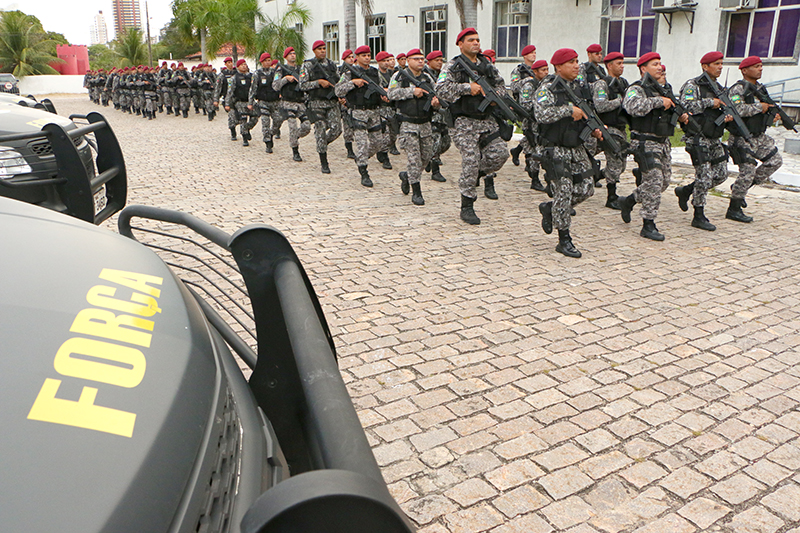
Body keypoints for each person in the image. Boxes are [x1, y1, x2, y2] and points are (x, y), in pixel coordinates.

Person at [435, 28, 509, 225]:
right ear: (460, 44)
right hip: (463, 121)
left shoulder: (488, 65)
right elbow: (441, 89)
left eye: (477, 39)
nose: (476, 43)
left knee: (500, 154)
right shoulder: (452, 66)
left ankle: (474, 174)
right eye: (470, 40)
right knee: (471, 158)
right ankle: (467, 205)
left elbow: (502, 86)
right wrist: (468, 88)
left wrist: (494, 97)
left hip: (487, 119)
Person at [534, 48, 601, 258]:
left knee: (587, 188)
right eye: (571, 62)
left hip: (576, 145)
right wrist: (568, 110)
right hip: (555, 147)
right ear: (558, 67)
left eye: (577, 61)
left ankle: (551, 208)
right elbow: (540, 114)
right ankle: (564, 239)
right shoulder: (548, 87)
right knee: (564, 189)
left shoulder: (580, 86)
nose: (576, 65)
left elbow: (587, 110)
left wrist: (596, 127)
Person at [618, 52, 689, 241]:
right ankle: (648, 224)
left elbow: (672, 107)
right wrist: (659, 101)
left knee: (663, 182)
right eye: (655, 64)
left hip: (663, 142)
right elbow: (631, 106)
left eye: (660, 63)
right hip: (644, 142)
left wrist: (681, 114)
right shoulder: (637, 88)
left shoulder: (664, 89)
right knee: (655, 180)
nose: (660, 67)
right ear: (643, 69)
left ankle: (629, 200)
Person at [675, 51, 735, 231]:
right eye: (716, 63)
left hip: (714, 137)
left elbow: (721, 109)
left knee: (721, 174)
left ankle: (686, 191)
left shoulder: (720, 88)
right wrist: (711, 103)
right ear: (705, 66)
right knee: (704, 175)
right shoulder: (692, 85)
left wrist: (727, 116)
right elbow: (685, 106)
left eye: (721, 63)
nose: (720, 67)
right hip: (697, 136)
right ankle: (698, 214)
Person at [726, 55, 783, 222]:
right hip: (742, 137)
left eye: (761, 66)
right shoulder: (738, 89)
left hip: (759, 136)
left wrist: (770, 117)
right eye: (756, 66)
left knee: (775, 161)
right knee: (748, 170)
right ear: (745, 70)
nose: (760, 69)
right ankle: (733, 209)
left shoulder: (760, 89)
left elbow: (763, 111)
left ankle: (741, 187)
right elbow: (737, 109)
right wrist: (760, 107)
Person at [387, 48, 440, 205]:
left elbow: (436, 93)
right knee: (414, 159)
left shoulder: (428, 77)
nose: (420, 61)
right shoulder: (399, 76)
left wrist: (436, 103)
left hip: (425, 123)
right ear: (408, 60)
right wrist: (411, 91)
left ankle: (406, 175)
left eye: (422, 59)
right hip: (407, 124)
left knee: (426, 157)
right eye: (416, 58)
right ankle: (416, 191)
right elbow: (391, 94)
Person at [335, 45, 391, 187]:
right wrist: (353, 83)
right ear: (357, 58)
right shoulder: (349, 73)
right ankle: (364, 172)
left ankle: (361, 159)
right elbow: (338, 90)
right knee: (361, 144)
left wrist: (383, 96)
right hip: (358, 111)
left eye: (368, 55)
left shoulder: (374, 72)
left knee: (377, 142)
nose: (367, 57)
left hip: (374, 111)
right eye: (363, 55)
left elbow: (380, 87)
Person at [591, 51, 629, 208]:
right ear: (609, 65)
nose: (622, 66)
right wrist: (619, 101)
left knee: (621, 164)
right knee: (614, 161)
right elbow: (600, 105)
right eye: (618, 63)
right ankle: (611, 197)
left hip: (620, 128)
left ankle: (595, 175)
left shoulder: (624, 83)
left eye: (622, 63)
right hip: (606, 128)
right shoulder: (602, 84)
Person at [300, 40, 342, 174]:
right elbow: (302, 85)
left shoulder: (332, 65)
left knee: (337, 129)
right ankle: (324, 161)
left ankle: (322, 143)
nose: (323, 51)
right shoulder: (308, 65)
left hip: (332, 103)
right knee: (321, 129)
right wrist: (318, 82)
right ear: (314, 51)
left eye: (324, 48)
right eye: (319, 49)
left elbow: (339, 81)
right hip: (316, 103)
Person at [274, 46, 311, 162]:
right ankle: (295, 150)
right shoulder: (281, 69)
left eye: (294, 53)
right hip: (288, 103)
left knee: (307, 126)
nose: (293, 55)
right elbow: (275, 86)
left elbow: (306, 84)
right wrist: (285, 79)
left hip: (300, 102)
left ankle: (294, 137)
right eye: (290, 54)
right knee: (292, 127)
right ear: (286, 57)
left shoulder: (301, 69)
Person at [518, 59, 549, 192]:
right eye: (543, 70)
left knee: (541, 150)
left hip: (543, 123)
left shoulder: (546, 85)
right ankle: (535, 179)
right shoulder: (529, 85)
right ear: (535, 72)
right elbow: (525, 106)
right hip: (531, 123)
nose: (546, 72)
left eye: (547, 69)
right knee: (534, 151)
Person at [509, 44, 537, 168]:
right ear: (525, 56)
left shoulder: (537, 69)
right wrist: (527, 80)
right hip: (523, 106)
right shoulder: (518, 71)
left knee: (532, 133)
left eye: (535, 53)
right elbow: (514, 86)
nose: (534, 55)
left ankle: (517, 151)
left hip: (536, 105)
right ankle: (529, 160)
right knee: (529, 132)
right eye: (531, 53)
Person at [424, 50, 450, 183]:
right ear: (429, 62)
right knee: (435, 141)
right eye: (437, 60)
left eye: (441, 60)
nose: (440, 62)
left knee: (446, 142)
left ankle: (429, 158)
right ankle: (435, 170)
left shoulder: (443, 75)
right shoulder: (425, 75)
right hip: (431, 115)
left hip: (443, 116)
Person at [249, 52, 282, 153]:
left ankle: (271, 133)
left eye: (269, 60)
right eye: (266, 61)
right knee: (265, 123)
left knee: (278, 120)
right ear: (262, 62)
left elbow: (279, 84)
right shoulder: (257, 74)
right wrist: (250, 102)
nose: (268, 62)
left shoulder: (275, 73)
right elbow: (253, 88)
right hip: (263, 102)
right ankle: (267, 142)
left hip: (275, 102)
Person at [225, 59, 258, 146]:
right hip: (239, 102)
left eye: (245, 64)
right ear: (238, 67)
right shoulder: (234, 78)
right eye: (242, 65)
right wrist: (227, 103)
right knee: (243, 118)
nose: (244, 66)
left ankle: (247, 128)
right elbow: (230, 92)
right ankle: (244, 138)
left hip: (250, 101)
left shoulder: (252, 76)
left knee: (255, 117)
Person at [377, 51, 398, 164]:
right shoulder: (376, 75)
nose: (386, 63)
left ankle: (382, 150)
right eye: (383, 61)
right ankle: (384, 156)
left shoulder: (392, 74)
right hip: (381, 108)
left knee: (393, 135)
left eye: (387, 60)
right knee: (385, 134)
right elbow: (378, 89)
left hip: (392, 107)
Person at [339, 49, 357, 160]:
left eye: (352, 57)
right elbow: (338, 87)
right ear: (344, 59)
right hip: (345, 102)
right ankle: (349, 149)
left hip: (354, 101)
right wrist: (341, 99)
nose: (351, 59)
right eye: (349, 57)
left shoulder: (355, 70)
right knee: (348, 127)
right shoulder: (341, 71)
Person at [214, 57, 238, 140]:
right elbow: (218, 88)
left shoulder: (237, 73)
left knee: (241, 116)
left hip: (238, 97)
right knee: (232, 116)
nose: (230, 64)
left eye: (231, 62)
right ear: (225, 64)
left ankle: (245, 131)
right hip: (228, 98)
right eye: (228, 62)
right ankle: (233, 132)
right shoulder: (222, 75)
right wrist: (216, 99)